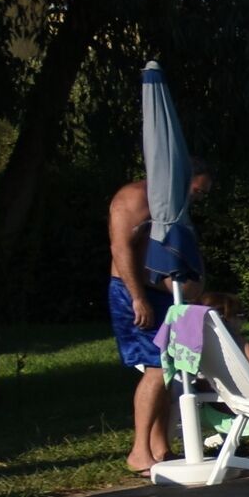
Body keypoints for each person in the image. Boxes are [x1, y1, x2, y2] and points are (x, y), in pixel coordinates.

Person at [107, 165, 211, 471]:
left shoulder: (173, 209)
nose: (198, 200)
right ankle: (139, 452)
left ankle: (161, 447)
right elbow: (120, 248)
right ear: (182, 178)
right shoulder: (133, 198)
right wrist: (137, 297)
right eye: (197, 192)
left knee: (174, 369)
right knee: (155, 368)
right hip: (136, 294)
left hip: (170, 298)